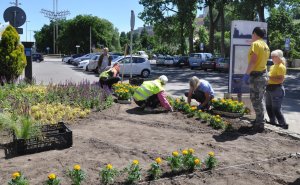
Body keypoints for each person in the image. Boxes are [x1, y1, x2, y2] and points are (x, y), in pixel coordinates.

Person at [242, 27, 270, 131]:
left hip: (257, 76)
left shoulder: (256, 44)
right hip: (262, 75)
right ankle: (259, 120)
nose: (252, 36)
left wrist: (246, 74)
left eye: (252, 34)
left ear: (255, 33)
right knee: (259, 99)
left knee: (256, 100)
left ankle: (260, 124)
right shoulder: (265, 45)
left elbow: (253, 62)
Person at [265, 50, 288, 129]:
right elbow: (269, 78)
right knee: (268, 106)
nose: (272, 58)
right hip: (269, 88)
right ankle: (272, 121)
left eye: (274, 56)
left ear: (280, 57)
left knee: (276, 109)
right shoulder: (272, 66)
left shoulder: (281, 66)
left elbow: (280, 80)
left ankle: (283, 124)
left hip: (277, 89)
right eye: (272, 56)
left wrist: (269, 77)